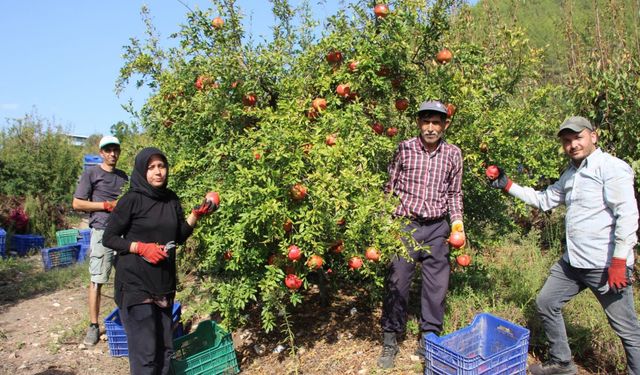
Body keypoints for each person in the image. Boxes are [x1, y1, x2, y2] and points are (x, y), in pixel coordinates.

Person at [488, 116, 640, 375]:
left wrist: (618, 260)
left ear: (594, 136)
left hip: (604, 265)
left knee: (626, 328)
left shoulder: (611, 168)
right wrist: (508, 185)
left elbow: (627, 215)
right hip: (574, 262)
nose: (573, 145)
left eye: (578, 137)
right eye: (567, 141)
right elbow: (544, 199)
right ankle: (562, 363)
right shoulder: (571, 174)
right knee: (547, 301)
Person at [103, 147, 216, 375]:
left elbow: (178, 237)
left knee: (164, 351)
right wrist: (139, 247)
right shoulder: (131, 200)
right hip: (135, 284)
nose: (158, 172)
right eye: (151, 167)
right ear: (142, 171)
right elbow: (109, 238)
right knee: (145, 354)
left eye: (161, 166)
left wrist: (195, 215)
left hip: (163, 284)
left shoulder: (171, 199)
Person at [377, 100, 465, 369]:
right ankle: (390, 338)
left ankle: (429, 337)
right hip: (405, 225)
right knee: (397, 281)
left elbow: (454, 193)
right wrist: (384, 221)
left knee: (436, 285)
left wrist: (457, 222)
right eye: (425, 121)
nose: (430, 127)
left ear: (444, 125)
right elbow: (389, 187)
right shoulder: (404, 148)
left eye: (435, 122)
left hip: (438, 228)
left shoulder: (453, 154)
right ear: (418, 123)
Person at [72, 135, 128, 346]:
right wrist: (106, 205)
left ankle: (126, 318)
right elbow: (77, 203)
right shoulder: (91, 173)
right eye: (108, 150)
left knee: (127, 279)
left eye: (115, 150)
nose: (112, 153)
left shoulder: (124, 177)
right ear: (101, 153)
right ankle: (93, 326)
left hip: (123, 233)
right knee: (97, 280)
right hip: (102, 232)